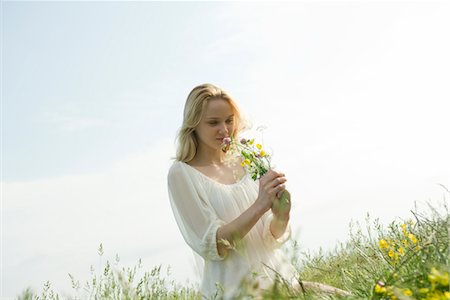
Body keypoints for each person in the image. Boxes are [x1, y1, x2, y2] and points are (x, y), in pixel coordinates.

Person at [167, 83, 349, 299]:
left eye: (229, 120)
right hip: (235, 292)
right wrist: (260, 205)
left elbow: (270, 238)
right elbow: (215, 245)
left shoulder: (247, 159)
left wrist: (282, 215)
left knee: (352, 294)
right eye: (213, 123)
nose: (224, 130)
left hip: (278, 280)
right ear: (193, 125)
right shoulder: (182, 174)